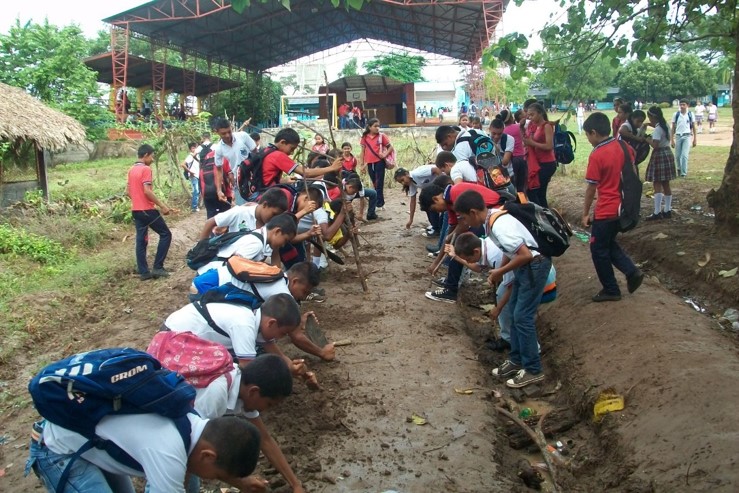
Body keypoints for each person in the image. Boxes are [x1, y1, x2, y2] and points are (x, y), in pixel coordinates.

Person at [454, 190, 551, 389]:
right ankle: (516, 360)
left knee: (523, 317)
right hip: (525, 267)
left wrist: (500, 272)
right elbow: (511, 250)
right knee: (514, 311)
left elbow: (525, 255)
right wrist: (501, 268)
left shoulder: (499, 225)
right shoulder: (492, 221)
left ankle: (533, 370)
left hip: (534, 266)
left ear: (473, 212)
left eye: (464, 218)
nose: (464, 222)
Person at [27, 412, 262, 493]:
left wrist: (240, 483)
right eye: (215, 474)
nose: (210, 478)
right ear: (208, 456)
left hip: (90, 441)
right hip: (57, 449)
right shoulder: (168, 453)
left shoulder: (194, 422)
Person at [188, 354, 303, 493]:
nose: (264, 410)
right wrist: (241, 482)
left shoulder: (243, 387)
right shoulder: (216, 395)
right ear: (254, 391)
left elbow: (265, 440)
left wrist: (296, 485)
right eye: (268, 404)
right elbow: (194, 449)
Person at [191, 261, 335, 361]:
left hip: (205, 280)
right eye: (304, 291)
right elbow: (296, 336)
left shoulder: (278, 275)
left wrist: (299, 319)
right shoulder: (281, 292)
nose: (303, 297)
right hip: (206, 289)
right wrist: (322, 352)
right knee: (249, 347)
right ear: (295, 281)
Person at [582, 112, 644, 302]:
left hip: (607, 209)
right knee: (607, 243)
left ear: (593, 132)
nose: (588, 139)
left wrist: (585, 213)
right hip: (624, 207)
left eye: (587, 135)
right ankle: (631, 271)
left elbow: (591, 187)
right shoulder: (624, 146)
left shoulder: (597, 154)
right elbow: (633, 171)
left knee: (598, 249)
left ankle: (611, 289)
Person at [419, 177, 502, 304]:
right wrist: (436, 263)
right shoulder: (449, 204)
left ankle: (451, 289)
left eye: (435, 209)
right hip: (484, 217)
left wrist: (452, 237)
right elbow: (449, 236)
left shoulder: (455, 193)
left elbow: (462, 226)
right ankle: (452, 282)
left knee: (460, 245)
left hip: (493, 214)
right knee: (454, 239)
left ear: (436, 199)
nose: (438, 212)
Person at [447, 232, 514, 351]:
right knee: (501, 295)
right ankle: (507, 337)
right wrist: (456, 256)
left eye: (468, 258)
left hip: (529, 278)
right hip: (513, 276)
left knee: (516, 310)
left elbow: (512, 285)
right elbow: (477, 267)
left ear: (476, 251)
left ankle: (514, 344)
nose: (469, 261)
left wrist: (498, 309)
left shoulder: (495, 257)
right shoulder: (484, 246)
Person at [127, 144, 174, 281]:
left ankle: (144, 272)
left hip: (136, 210)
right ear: (146, 155)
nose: (153, 158)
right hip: (147, 210)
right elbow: (147, 191)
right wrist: (162, 206)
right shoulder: (146, 169)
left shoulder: (131, 170)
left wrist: (137, 200)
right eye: (152, 155)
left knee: (141, 240)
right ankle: (158, 267)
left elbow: (128, 191)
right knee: (166, 234)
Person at [196, 213, 296, 275]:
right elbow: (235, 267)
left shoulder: (258, 234)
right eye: (285, 240)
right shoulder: (256, 244)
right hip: (209, 279)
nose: (283, 245)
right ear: (277, 231)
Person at [260, 128, 342, 197]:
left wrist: (283, 180)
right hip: (264, 192)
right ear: (282, 142)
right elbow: (306, 173)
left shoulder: (267, 150)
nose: (291, 153)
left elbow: (265, 176)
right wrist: (332, 168)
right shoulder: (278, 155)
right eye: (291, 149)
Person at [197, 187, 289, 240]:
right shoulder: (240, 212)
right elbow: (210, 222)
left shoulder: (271, 228)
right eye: (274, 214)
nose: (275, 219)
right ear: (265, 205)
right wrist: (202, 251)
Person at [213, 117, 256, 205]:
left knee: (257, 208)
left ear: (231, 128)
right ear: (217, 132)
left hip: (254, 178)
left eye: (229, 131)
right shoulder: (218, 149)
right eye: (223, 133)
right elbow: (218, 169)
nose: (227, 135)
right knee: (242, 210)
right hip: (238, 182)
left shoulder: (243, 136)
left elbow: (256, 153)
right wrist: (219, 191)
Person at [644, 106, 677, 220]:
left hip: (659, 154)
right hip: (667, 152)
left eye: (650, 118)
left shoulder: (658, 129)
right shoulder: (665, 125)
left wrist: (647, 139)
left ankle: (657, 212)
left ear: (653, 117)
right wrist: (648, 125)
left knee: (657, 183)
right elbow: (657, 126)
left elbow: (655, 145)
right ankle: (667, 210)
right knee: (666, 184)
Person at [522, 103, 556, 208]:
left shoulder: (547, 126)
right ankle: (545, 215)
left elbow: (549, 146)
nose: (530, 118)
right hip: (538, 162)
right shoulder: (534, 127)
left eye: (532, 115)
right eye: (529, 115)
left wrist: (533, 144)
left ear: (540, 113)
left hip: (547, 163)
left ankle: (542, 214)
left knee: (534, 191)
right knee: (539, 193)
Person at [393, 165, 442, 232]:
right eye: (401, 182)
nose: (403, 183)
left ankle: (436, 228)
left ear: (407, 174)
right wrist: (411, 220)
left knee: (430, 202)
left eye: (402, 180)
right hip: (433, 189)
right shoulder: (412, 184)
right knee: (424, 202)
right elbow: (412, 202)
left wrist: (443, 184)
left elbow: (436, 169)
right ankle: (435, 225)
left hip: (441, 184)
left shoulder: (418, 173)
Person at [358, 118, 393, 211]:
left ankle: (379, 204)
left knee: (379, 183)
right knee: (374, 182)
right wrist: (361, 164)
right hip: (369, 163)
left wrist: (384, 154)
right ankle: (380, 202)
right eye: (375, 126)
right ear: (369, 127)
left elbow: (390, 147)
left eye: (378, 126)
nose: (377, 128)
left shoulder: (382, 136)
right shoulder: (364, 137)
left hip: (379, 162)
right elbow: (362, 151)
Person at [671, 99, 697, 177]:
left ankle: (683, 173)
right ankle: (679, 169)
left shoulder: (690, 114)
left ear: (687, 105)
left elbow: (693, 126)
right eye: (681, 104)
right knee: (678, 156)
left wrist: (695, 139)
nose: (682, 106)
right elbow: (673, 128)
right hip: (678, 136)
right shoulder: (676, 114)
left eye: (684, 105)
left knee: (684, 155)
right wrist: (672, 139)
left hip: (687, 136)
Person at [506, 109, 527, 193]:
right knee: (521, 184)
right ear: (511, 118)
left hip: (512, 160)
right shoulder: (518, 126)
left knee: (513, 182)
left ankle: (515, 201)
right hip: (522, 157)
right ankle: (523, 201)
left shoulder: (503, 131)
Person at [181, 142, 201, 213]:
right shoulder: (190, 156)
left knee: (198, 191)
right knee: (196, 191)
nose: (194, 149)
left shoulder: (197, 155)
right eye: (193, 148)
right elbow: (183, 164)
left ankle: (197, 205)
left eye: (195, 147)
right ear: (190, 149)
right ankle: (194, 207)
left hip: (197, 175)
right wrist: (190, 172)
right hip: (194, 176)